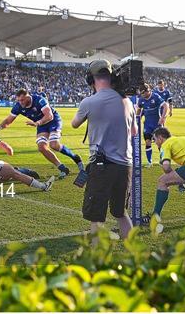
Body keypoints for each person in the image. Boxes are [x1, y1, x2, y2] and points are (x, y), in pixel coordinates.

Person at [71, 59, 137, 240]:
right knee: (120, 212)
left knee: (97, 217)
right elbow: (134, 132)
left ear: (91, 79)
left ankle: (96, 256)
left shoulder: (89, 102)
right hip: (125, 165)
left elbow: (75, 124)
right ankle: (134, 251)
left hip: (102, 166)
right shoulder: (128, 102)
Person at [0, 89, 83, 178]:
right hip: (41, 125)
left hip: (53, 121)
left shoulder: (39, 100)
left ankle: (75, 157)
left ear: (28, 97)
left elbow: (49, 116)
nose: (20, 102)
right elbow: (8, 120)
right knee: (41, 147)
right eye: (18, 100)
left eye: (22, 100)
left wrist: (37, 123)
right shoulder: (18, 106)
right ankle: (62, 168)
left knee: (54, 145)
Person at [137, 83, 169, 168]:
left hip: (157, 124)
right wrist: (137, 120)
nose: (143, 95)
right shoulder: (141, 100)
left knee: (160, 143)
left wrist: (162, 118)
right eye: (142, 93)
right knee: (147, 142)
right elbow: (139, 110)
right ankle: (149, 162)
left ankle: (162, 160)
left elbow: (166, 105)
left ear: (148, 91)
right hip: (147, 125)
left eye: (144, 93)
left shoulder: (155, 96)